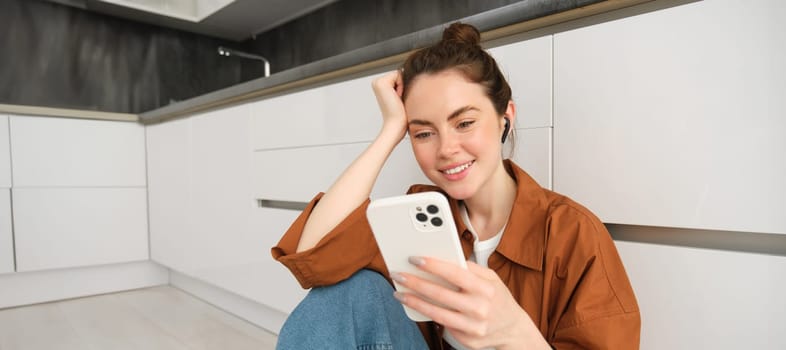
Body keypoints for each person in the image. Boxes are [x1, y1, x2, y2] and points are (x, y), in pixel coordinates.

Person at [271, 22, 640, 349]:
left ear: (504, 119)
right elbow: (314, 257)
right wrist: (389, 131)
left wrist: (515, 333)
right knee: (349, 292)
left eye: (464, 123)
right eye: (424, 132)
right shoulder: (416, 216)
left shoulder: (572, 233)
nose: (446, 150)